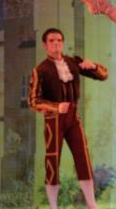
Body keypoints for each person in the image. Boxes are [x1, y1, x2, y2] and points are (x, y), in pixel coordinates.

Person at [29, 28, 109, 209]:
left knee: (83, 157)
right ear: (45, 45)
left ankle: (91, 202)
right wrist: (56, 107)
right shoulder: (40, 70)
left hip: (73, 116)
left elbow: (104, 75)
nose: (56, 43)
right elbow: (33, 101)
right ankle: (53, 205)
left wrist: (94, 66)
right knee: (53, 160)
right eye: (51, 41)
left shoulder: (74, 62)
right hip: (53, 120)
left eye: (58, 40)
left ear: (63, 43)